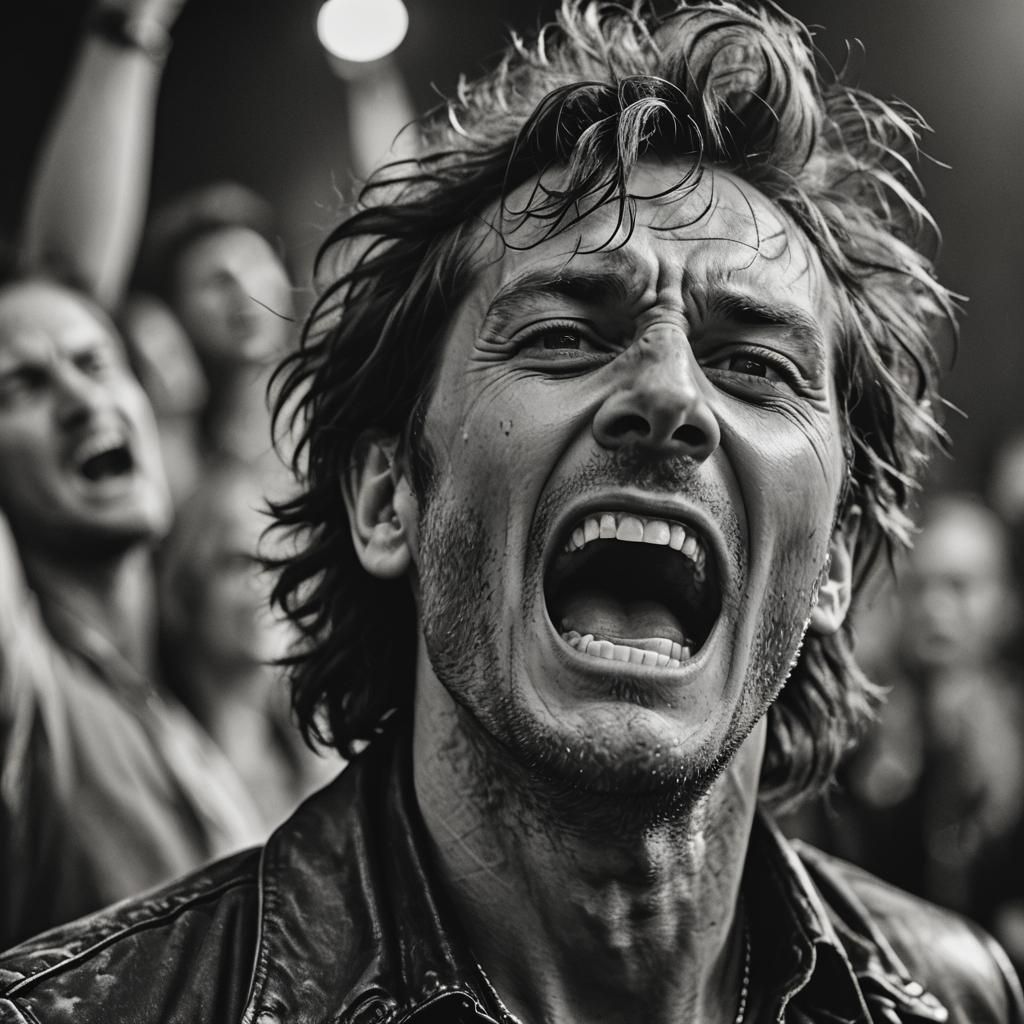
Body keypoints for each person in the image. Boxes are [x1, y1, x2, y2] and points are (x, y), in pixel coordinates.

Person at [2, 3, 1021, 1022]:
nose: (668, 395)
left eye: (754, 365)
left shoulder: (957, 997)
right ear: (387, 496)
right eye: (563, 336)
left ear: (835, 551)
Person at [0, 273, 265, 949]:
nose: (85, 401)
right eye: (19, 387)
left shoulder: (183, 694)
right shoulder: (31, 702)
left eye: (95, 363)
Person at [23, 0, 295, 484]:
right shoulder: (169, 461)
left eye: (254, 263)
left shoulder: (348, 403)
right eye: (214, 281)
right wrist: (130, 26)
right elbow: (62, 284)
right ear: (176, 315)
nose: (242, 290)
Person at [157, 457, 339, 830]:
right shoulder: (156, 755)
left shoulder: (326, 759)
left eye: (282, 562)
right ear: (184, 587)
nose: (270, 584)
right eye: (240, 562)